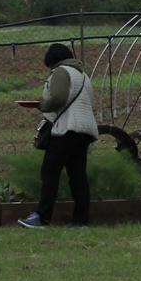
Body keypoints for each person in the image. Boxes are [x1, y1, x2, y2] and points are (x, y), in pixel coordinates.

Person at [19, 43, 99, 228]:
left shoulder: (61, 72)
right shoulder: (83, 75)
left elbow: (57, 98)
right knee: (78, 175)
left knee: (49, 172)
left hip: (67, 129)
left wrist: (41, 105)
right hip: (85, 130)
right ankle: (81, 219)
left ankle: (42, 216)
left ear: (52, 60)